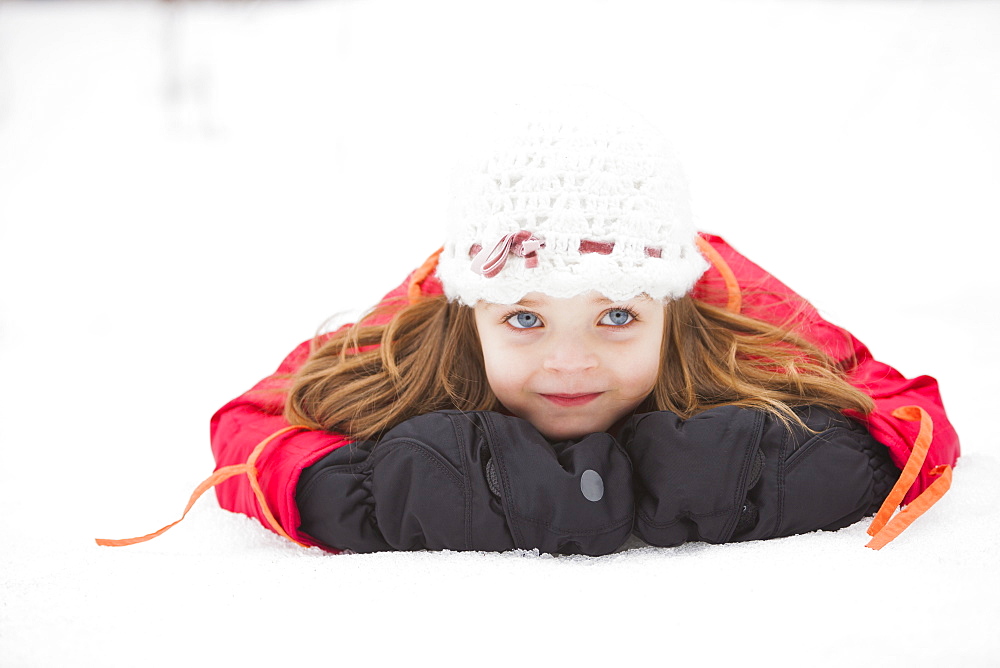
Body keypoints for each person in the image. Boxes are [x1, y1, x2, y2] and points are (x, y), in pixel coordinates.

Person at [97, 109, 959, 555]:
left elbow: (906, 416)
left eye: (618, 315)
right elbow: (249, 430)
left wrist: (771, 465)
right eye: (525, 317)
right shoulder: (440, 295)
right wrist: (377, 490)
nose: (571, 361)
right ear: (470, 313)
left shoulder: (718, 287)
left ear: (671, 307)